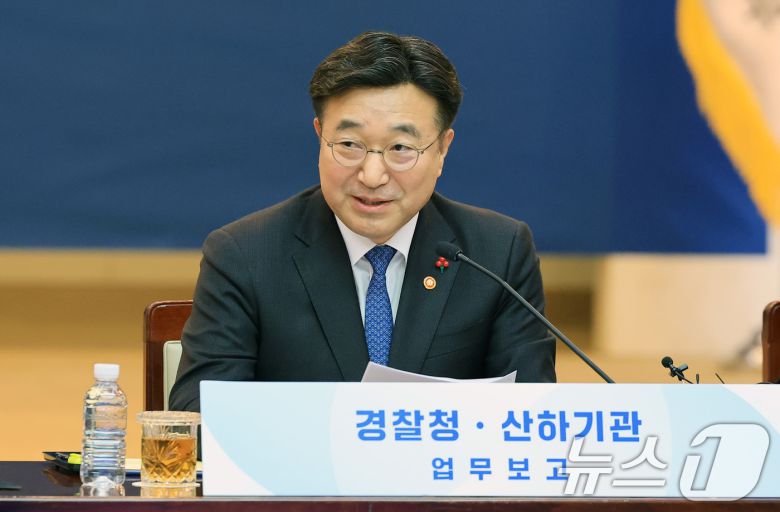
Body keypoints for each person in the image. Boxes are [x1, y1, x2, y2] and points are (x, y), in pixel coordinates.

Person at [169, 31, 555, 413]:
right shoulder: (244, 255)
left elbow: (534, 415)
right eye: (350, 145)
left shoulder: (497, 253)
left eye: (400, 148)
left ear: (442, 150)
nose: (372, 176)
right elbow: (199, 413)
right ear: (320, 136)